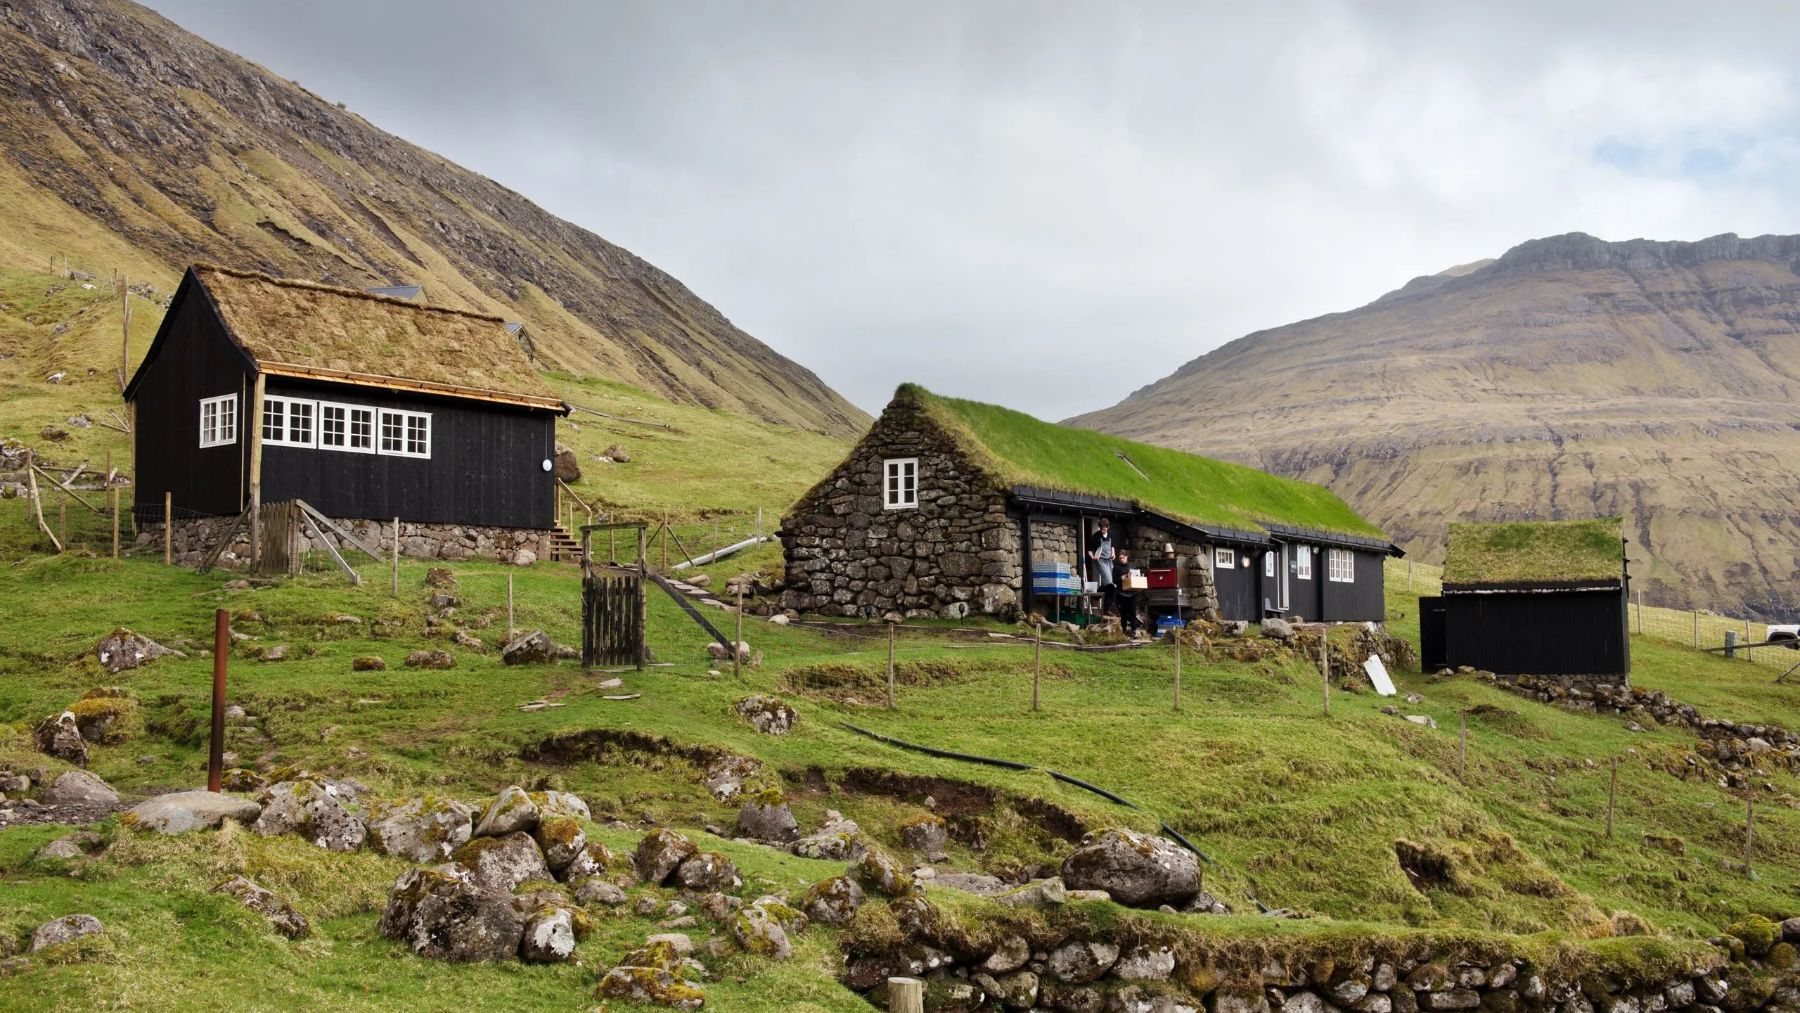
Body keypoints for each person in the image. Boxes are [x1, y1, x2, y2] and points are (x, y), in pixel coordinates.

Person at [1113, 548, 1143, 635]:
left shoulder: (1132, 565)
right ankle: (1124, 630)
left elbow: (1137, 576)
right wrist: (1120, 578)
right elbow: (1114, 580)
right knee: (1124, 613)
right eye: (1120, 558)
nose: (1122, 559)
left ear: (1127, 557)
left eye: (1123, 557)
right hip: (1121, 593)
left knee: (1133, 611)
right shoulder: (1116, 567)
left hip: (1132, 592)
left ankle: (1134, 630)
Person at [1086, 518, 1117, 593]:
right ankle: (1103, 593)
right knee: (1108, 580)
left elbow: (1112, 546)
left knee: (1112, 580)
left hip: (1109, 560)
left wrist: (1113, 554)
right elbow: (1089, 550)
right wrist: (1093, 557)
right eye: (1101, 529)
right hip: (1100, 560)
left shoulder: (1111, 534)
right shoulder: (1095, 536)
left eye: (1104, 529)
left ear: (1108, 527)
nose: (1102, 531)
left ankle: (1099, 591)